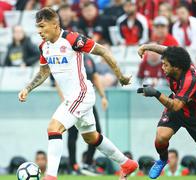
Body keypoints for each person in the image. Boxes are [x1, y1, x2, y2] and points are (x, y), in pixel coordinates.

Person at [18, 7, 138, 180]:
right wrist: (27, 88)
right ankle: (127, 163)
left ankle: (50, 176)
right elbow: (44, 72)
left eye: (42, 27)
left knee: (53, 128)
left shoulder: (72, 39)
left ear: (55, 24)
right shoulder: (44, 46)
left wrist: (120, 76)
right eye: (38, 28)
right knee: (91, 138)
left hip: (81, 93)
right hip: (72, 97)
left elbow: (102, 50)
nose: (39, 31)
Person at [137, 44, 196, 180]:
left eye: (166, 65)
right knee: (161, 137)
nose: (162, 67)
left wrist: (156, 93)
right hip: (178, 111)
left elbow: (176, 106)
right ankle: (163, 160)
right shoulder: (177, 62)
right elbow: (167, 50)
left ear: (176, 67)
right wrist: (146, 47)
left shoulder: (190, 79)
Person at [55, 54, 108, 175]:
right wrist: (65, 101)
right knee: (73, 134)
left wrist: (103, 96)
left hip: (86, 101)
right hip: (72, 101)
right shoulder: (67, 56)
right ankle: (73, 166)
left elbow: (95, 77)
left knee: (96, 132)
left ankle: (87, 164)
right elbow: (59, 81)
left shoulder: (88, 59)